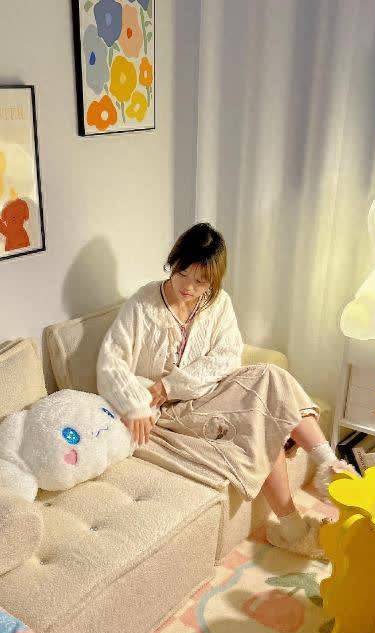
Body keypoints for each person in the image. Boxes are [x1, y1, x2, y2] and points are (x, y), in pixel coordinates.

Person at [96, 222, 350, 556]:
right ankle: (294, 528)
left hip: (209, 391)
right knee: (263, 421)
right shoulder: (143, 305)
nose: (189, 287)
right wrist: (136, 404)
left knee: (272, 376)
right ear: (173, 262)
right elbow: (110, 363)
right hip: (171, 413)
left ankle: (329, 467)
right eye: (183, 273)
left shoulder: (218, 303)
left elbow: (227, 356)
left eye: (201, 281)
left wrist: (171, 384)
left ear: (213, 281)